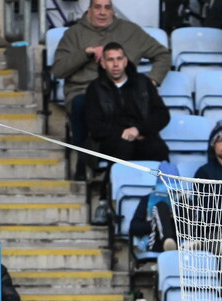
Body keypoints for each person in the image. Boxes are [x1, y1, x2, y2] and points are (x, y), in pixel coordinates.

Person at [50, 0, 171, 176]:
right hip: (83, 90)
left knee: (141, 117)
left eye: (107, 8)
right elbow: (58, 70)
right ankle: (83, 160)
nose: (102, 12)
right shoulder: (73, 34)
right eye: (97, 7)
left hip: (124, 90)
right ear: (89, 10)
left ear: (113, 11)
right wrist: (86, 53)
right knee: (81, 104)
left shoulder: (130, 31)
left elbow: (163, 55)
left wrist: (152, 82)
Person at [84, 42, 170, 162]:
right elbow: (94, 125)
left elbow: (162, 115)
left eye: (119, 59)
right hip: (112, 140)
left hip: (143, 135)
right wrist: (123, 133)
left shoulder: (143, 83)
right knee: (123, 148)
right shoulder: (95, 88)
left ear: (125, 61)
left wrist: (138, 130)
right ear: (103, 63)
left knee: (158, 149)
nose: (115, 64)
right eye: (110, 60)